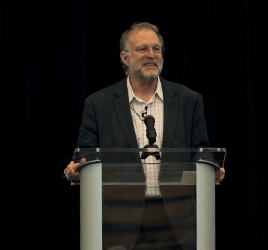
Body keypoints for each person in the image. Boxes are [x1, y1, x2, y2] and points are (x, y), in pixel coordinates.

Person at [64, 22, 225, 250]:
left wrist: (211, 168)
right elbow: (86, 157)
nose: (151, 55)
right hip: (120, 222)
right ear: (125, 57)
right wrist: (75, 169)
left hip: (178, 223)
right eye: (142, 49)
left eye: (157, 49)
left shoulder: (189, 100)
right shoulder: (98, 104)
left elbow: (200, 152)